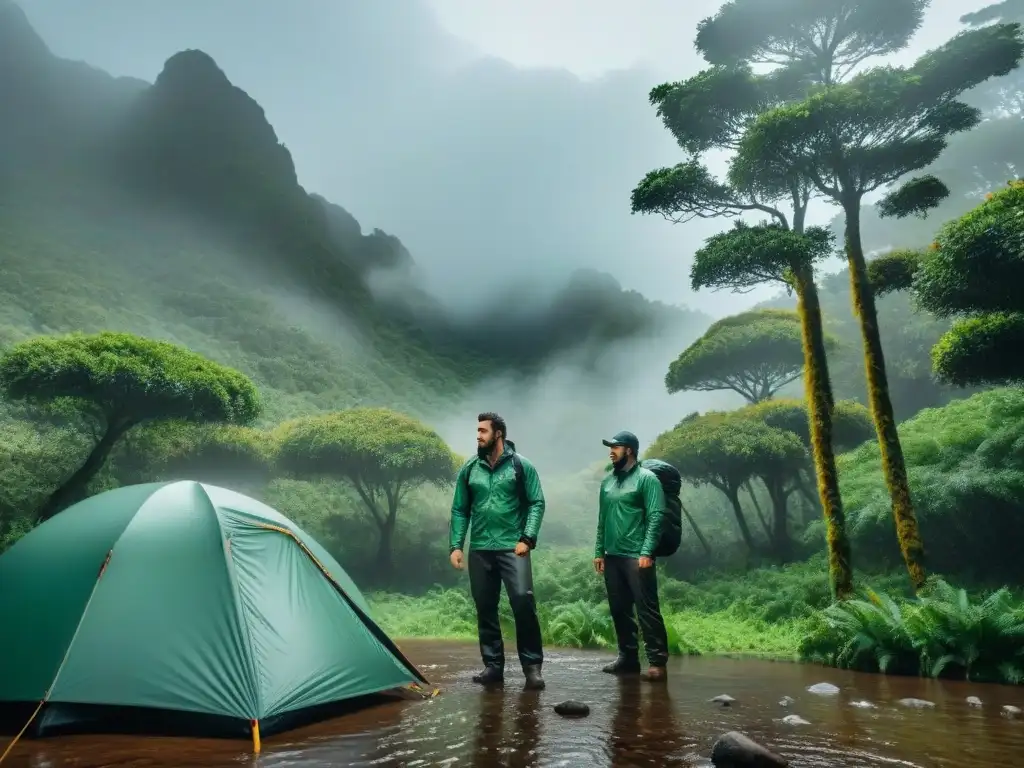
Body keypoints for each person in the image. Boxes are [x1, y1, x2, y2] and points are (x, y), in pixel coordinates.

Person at [449, 412, 547, 690]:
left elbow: (537, 502)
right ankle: (493, 666)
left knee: (523, 602)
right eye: (477, 431)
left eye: (483, 431)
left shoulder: (520, 466)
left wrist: (527, 538)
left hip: (512, 548)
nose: (478, 436)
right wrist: (456, 545)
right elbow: (459, 509)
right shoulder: (470, 469)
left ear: (498, 434)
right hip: (480, 549)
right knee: (485, 607)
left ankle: (532, 668)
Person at [593, 430, 670, 681]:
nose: (611, 451)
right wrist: (598, 552)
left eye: (616, 447)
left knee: (646, 609)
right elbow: (602, 520)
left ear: (630, 450)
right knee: (619, 609)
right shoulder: (607, 482)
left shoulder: (647, 479)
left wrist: (647, 551)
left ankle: (657, 662)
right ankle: (627, 659)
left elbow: (656, 516)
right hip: (612, 555)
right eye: (610, 447)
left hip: (637, 556)